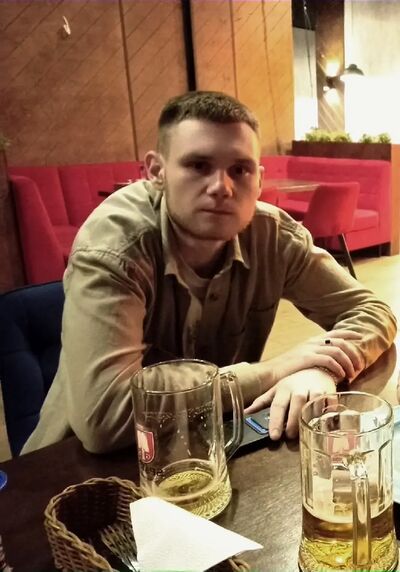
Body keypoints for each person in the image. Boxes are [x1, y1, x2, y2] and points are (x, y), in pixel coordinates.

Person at [22, 91, 396, 455]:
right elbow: (106, 417)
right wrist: (274, 371)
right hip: (73, 470)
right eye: (198, 166)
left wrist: (321, 370)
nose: (221, 187)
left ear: (259, 180)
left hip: (207, 443)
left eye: (240, 169)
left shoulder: (274, 236)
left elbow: (373, 312)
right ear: (156, 172)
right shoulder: (116, 245)